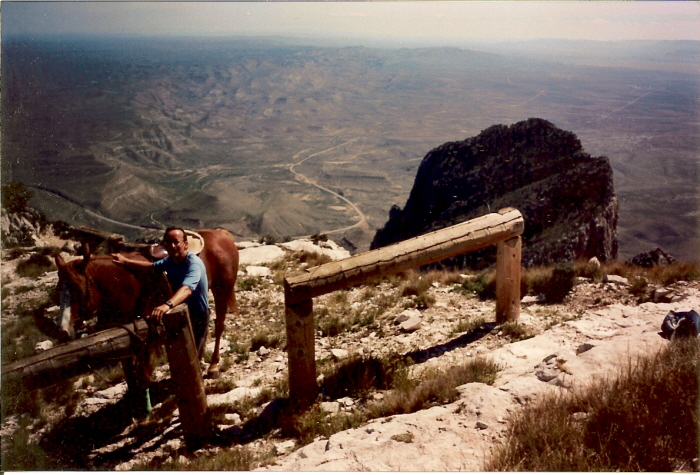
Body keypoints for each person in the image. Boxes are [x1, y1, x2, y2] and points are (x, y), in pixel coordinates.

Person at [113, 227, 210, 359]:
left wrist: (167, 305)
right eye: (168, 242)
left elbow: (187, 289)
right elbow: (152, 267)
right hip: (180, 311)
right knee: (180, 353)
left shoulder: (193, 264)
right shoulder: (170, 261)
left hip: (198, 314)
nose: (172, 246)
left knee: (193, 356)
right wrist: (126, 261)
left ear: (185, 244)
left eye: (176, 242)